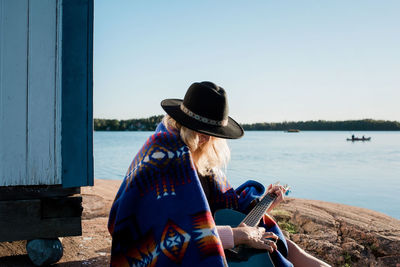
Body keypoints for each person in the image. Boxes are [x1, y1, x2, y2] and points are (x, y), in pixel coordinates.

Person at [108, 81, 330, 267]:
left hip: (212, 239)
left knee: (281, 244)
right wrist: (236, 235)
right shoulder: (163, 161)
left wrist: (262, 205)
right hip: (159, 257)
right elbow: (166, 237)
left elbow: (220, 209)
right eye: (208, 134)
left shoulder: (192, 154)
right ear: (194, 131)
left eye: (214, 134)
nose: (212, 140)